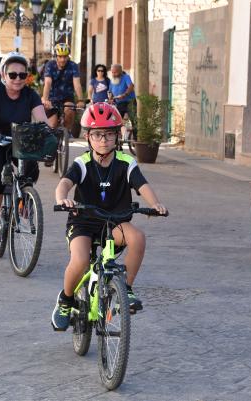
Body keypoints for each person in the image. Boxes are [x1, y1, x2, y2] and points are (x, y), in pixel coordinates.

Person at [51, 102, 168, 331]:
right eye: (97, 135)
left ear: (118, 136)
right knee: (81, 260)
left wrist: (155, 204)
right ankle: (65, 300)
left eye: (109, 134)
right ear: (88, 137)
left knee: (138, 238)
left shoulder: (126, 163)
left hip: (115, 222)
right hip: (83, 222)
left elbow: (142, 185)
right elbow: (64, 183)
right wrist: (62, 198)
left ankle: (126, 289)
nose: (103, 140)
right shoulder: (82, 163)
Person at [0, 52, 51, 243]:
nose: (17, 79)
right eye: (12, 75)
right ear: (3, 75)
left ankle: (24, 197)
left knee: (31, 171)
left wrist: (47, 133)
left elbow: (42, 119)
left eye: (22, 75)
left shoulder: (31, 95)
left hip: (21, 141)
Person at [41, 43, 85, 132]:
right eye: (60, 56)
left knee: (69, 110)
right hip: (52, 97)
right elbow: (48, 82)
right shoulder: (50, 65)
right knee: (52, 125)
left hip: (67, 96)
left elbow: (77, 83)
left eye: (65, 56)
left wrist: (80, 100)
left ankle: (67, 132)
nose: (63, 59)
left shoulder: (73, 65)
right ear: (56, 56)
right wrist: (45, 99)